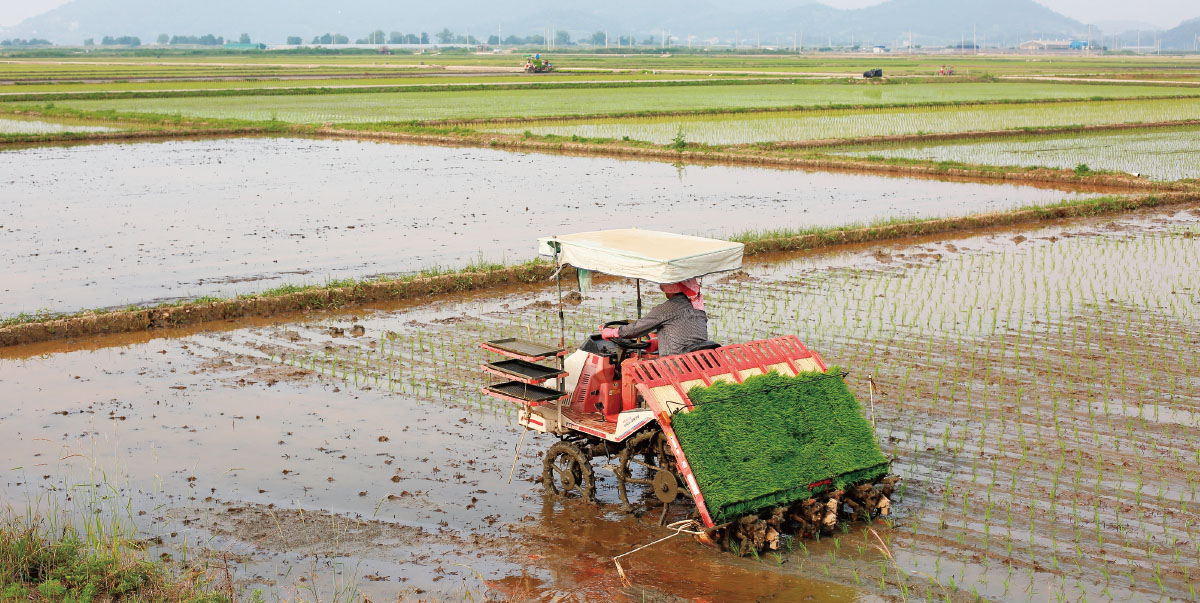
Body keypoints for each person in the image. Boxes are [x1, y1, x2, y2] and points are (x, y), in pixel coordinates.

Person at [599, 278, 710, 356]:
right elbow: (688, 337)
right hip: (698, 360)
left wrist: (614, 332)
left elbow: (636, 329)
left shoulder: (666, 309)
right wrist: (658, 344)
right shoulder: (698, 309)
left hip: (676, 365)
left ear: (669, 291)